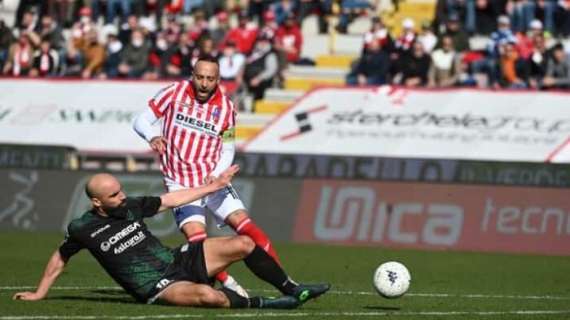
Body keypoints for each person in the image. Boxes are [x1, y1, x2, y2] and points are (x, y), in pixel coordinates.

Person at [12, 167, 330, 308]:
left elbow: (172, 200)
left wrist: (213, 186)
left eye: (121, 189)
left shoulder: (130, 206)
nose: (122, 195)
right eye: (114, 194)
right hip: (157, 286)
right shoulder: (82, 228)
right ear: (97, 202)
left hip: (178, 260)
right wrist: (41, 293)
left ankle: (293, 289)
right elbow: (60, 256)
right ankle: (265, 305)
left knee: (244, 244)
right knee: (211, 298)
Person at [132, 55, 279, 297]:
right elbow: (141, 120)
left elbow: (228, 147)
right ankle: (230, 283)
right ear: (192, 75)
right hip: (181, 183)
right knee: (196, 237)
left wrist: (217, 174)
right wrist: (153, 136)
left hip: (213, 180)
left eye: (210, 79)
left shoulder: (227, 109)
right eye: (199, 77)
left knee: (246, 225)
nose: (203, 83)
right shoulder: (173, 93)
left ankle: (286, 284)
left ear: (218, 80)